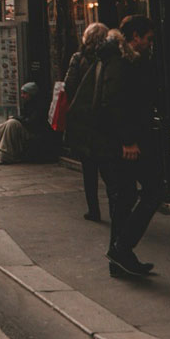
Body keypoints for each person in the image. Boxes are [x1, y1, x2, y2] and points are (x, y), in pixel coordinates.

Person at [74, 15, 161, 279]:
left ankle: (119, 256)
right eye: (148, 38)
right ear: (135, 36)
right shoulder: (120, 62)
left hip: (118, 141)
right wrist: (128, 140)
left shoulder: (117, 58)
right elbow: (113, 103)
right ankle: (121, 249)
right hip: (121, 144)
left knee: (125, 198)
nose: (149, 43)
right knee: (151, 191)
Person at [64, 21, 110, 222]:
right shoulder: (109, 58)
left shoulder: (78, 58)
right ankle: (116, 207)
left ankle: (94, 210)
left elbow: (68, 85)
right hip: (103, 119)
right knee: (109, 170)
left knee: (89, 170)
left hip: (84, 120)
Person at [0, 82, 51, 164]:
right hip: (27, 128)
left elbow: (32, 122)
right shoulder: (27, 104)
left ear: (32, 94)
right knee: (1, 126)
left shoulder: (40, 106)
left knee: (12, 123)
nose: (22, 96)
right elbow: (24, 117)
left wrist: (17, 118)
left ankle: (4, 155)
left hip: (34, 132)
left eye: (25, 93)